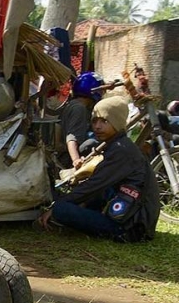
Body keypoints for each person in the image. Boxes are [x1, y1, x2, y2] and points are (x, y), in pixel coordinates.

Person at [38, 96, 160, 242]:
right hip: (132, 217)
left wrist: (56, 207)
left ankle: (109, 229)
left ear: (117, 122)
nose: (97, 126)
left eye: (104, 121)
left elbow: (94, 184)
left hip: (131, 227)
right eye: (95, 121)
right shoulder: (118, 145)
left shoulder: (121, 150)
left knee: (61, 209)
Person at [59, 72, 105, 168]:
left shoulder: (73, 104)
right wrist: (76, 160)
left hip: (67, 153)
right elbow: (71, 137)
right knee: (94, 142)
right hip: (69, 157)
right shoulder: (79, 109)